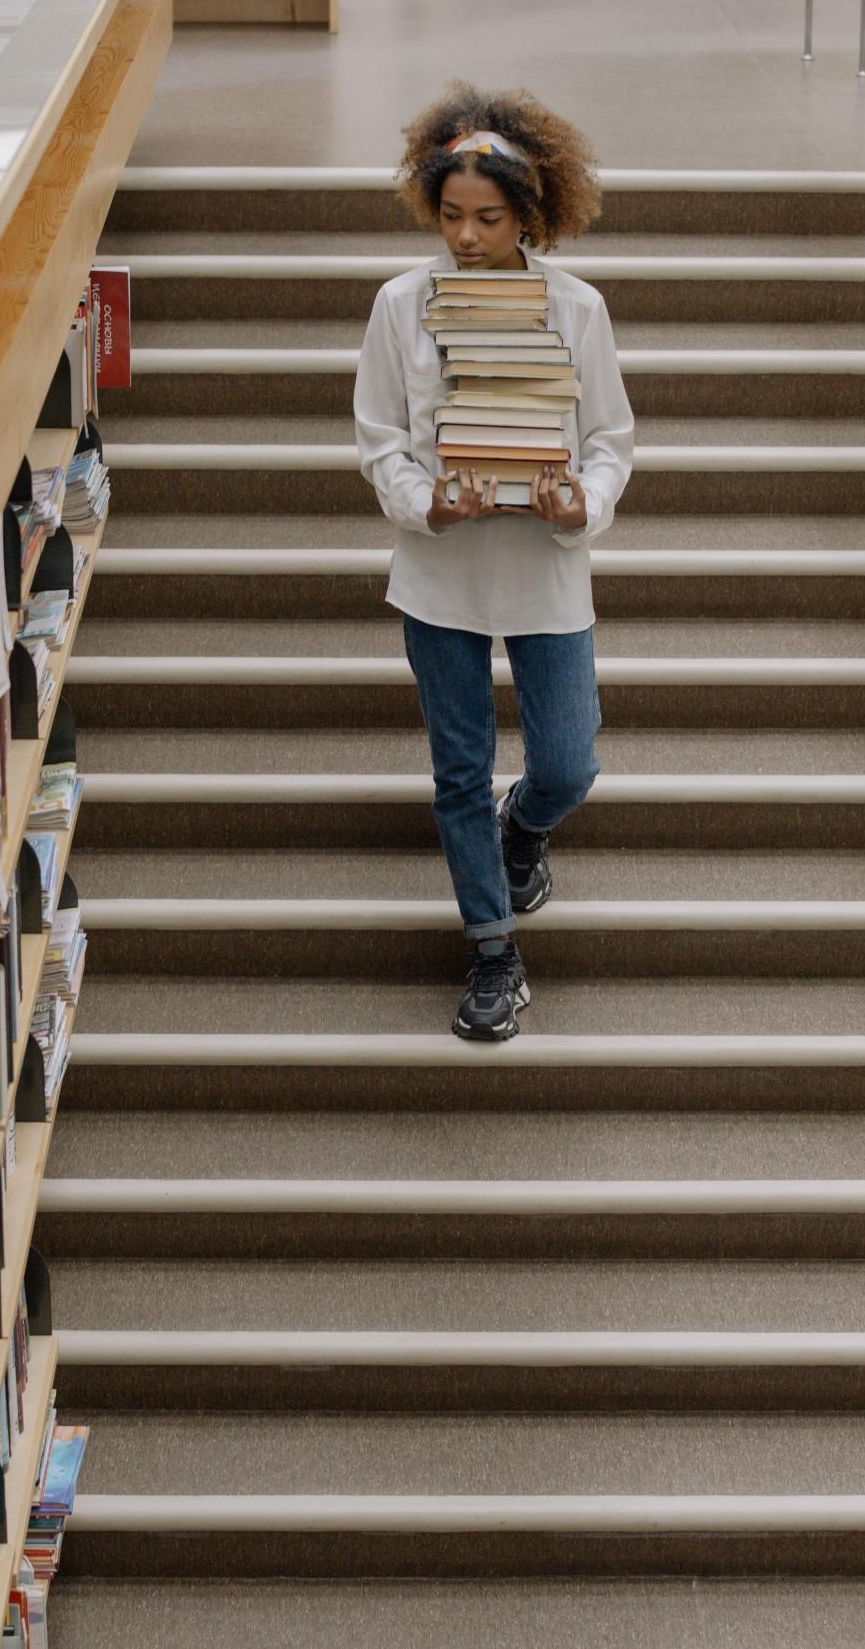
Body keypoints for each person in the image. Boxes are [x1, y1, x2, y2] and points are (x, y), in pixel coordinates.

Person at [352, 83, 635, 1041]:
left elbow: (610, 439)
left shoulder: (577, 308)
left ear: (533, 215)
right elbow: (380, 439)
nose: (466, 237)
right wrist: (423, 501)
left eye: (489, 218)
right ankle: (492, 951)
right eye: (450, 216)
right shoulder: (400, 306)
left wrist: (580, 504)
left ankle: (528, 828)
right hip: (439, 578)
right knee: (457, 769)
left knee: (569, 760)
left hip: (547, 571)